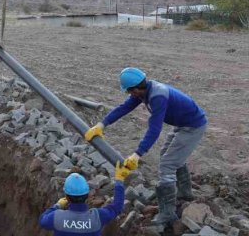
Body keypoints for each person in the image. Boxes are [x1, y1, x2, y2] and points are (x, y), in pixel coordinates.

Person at [84, 67, 207, 224]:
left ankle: (168, 213)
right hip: (182, 124)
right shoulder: (144, 91)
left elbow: (154, 129)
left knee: (168, 164)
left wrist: (137, 154)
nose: (129, 95)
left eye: (129, 92)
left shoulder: (158, 96)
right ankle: (184, 193)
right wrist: (102, 124)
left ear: (135, 89)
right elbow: (124, 108)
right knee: (168, 156)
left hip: (193, 126)